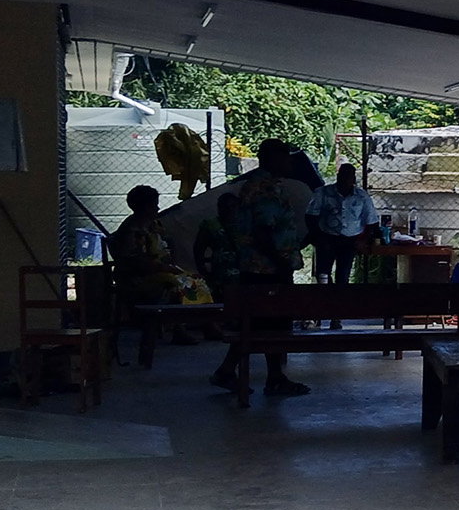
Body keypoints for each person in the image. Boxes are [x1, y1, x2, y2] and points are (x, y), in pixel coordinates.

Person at [209, 140, 311, 397]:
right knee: (272, 325)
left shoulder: (258, 186)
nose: (290, 162)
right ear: (274, 159)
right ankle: (272, 378)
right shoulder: (265, 189)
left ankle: (234, 372)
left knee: (257, 325)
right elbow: (263, 233)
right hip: (266, 270)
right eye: (286, 157)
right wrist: (281, 266)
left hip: (259, 268)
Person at [112, 184, 202, 344]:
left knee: (195, 280)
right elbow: (134, 262)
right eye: (153, 205)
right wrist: (162, 267)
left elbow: (167, 244)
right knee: (178, 284)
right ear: (144, 207)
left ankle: (205, 323)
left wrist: (170, 262)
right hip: (137, 279)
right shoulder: (133, 230)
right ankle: (179, 329)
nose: (157, 208)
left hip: (158, 271)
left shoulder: (153, 225)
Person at [305, 163, 376, 288]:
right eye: (342, 175)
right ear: (337, 176)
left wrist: (363, 241)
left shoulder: (362, 196)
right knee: (323, 274)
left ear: (353, 179)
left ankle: (340, 301)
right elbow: (310, 216)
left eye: (348, 176)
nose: (345, 179)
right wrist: (317, 237)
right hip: (326, 238)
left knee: (343, 275)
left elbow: (372, 221)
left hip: (350, 239)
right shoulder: (323, 193)